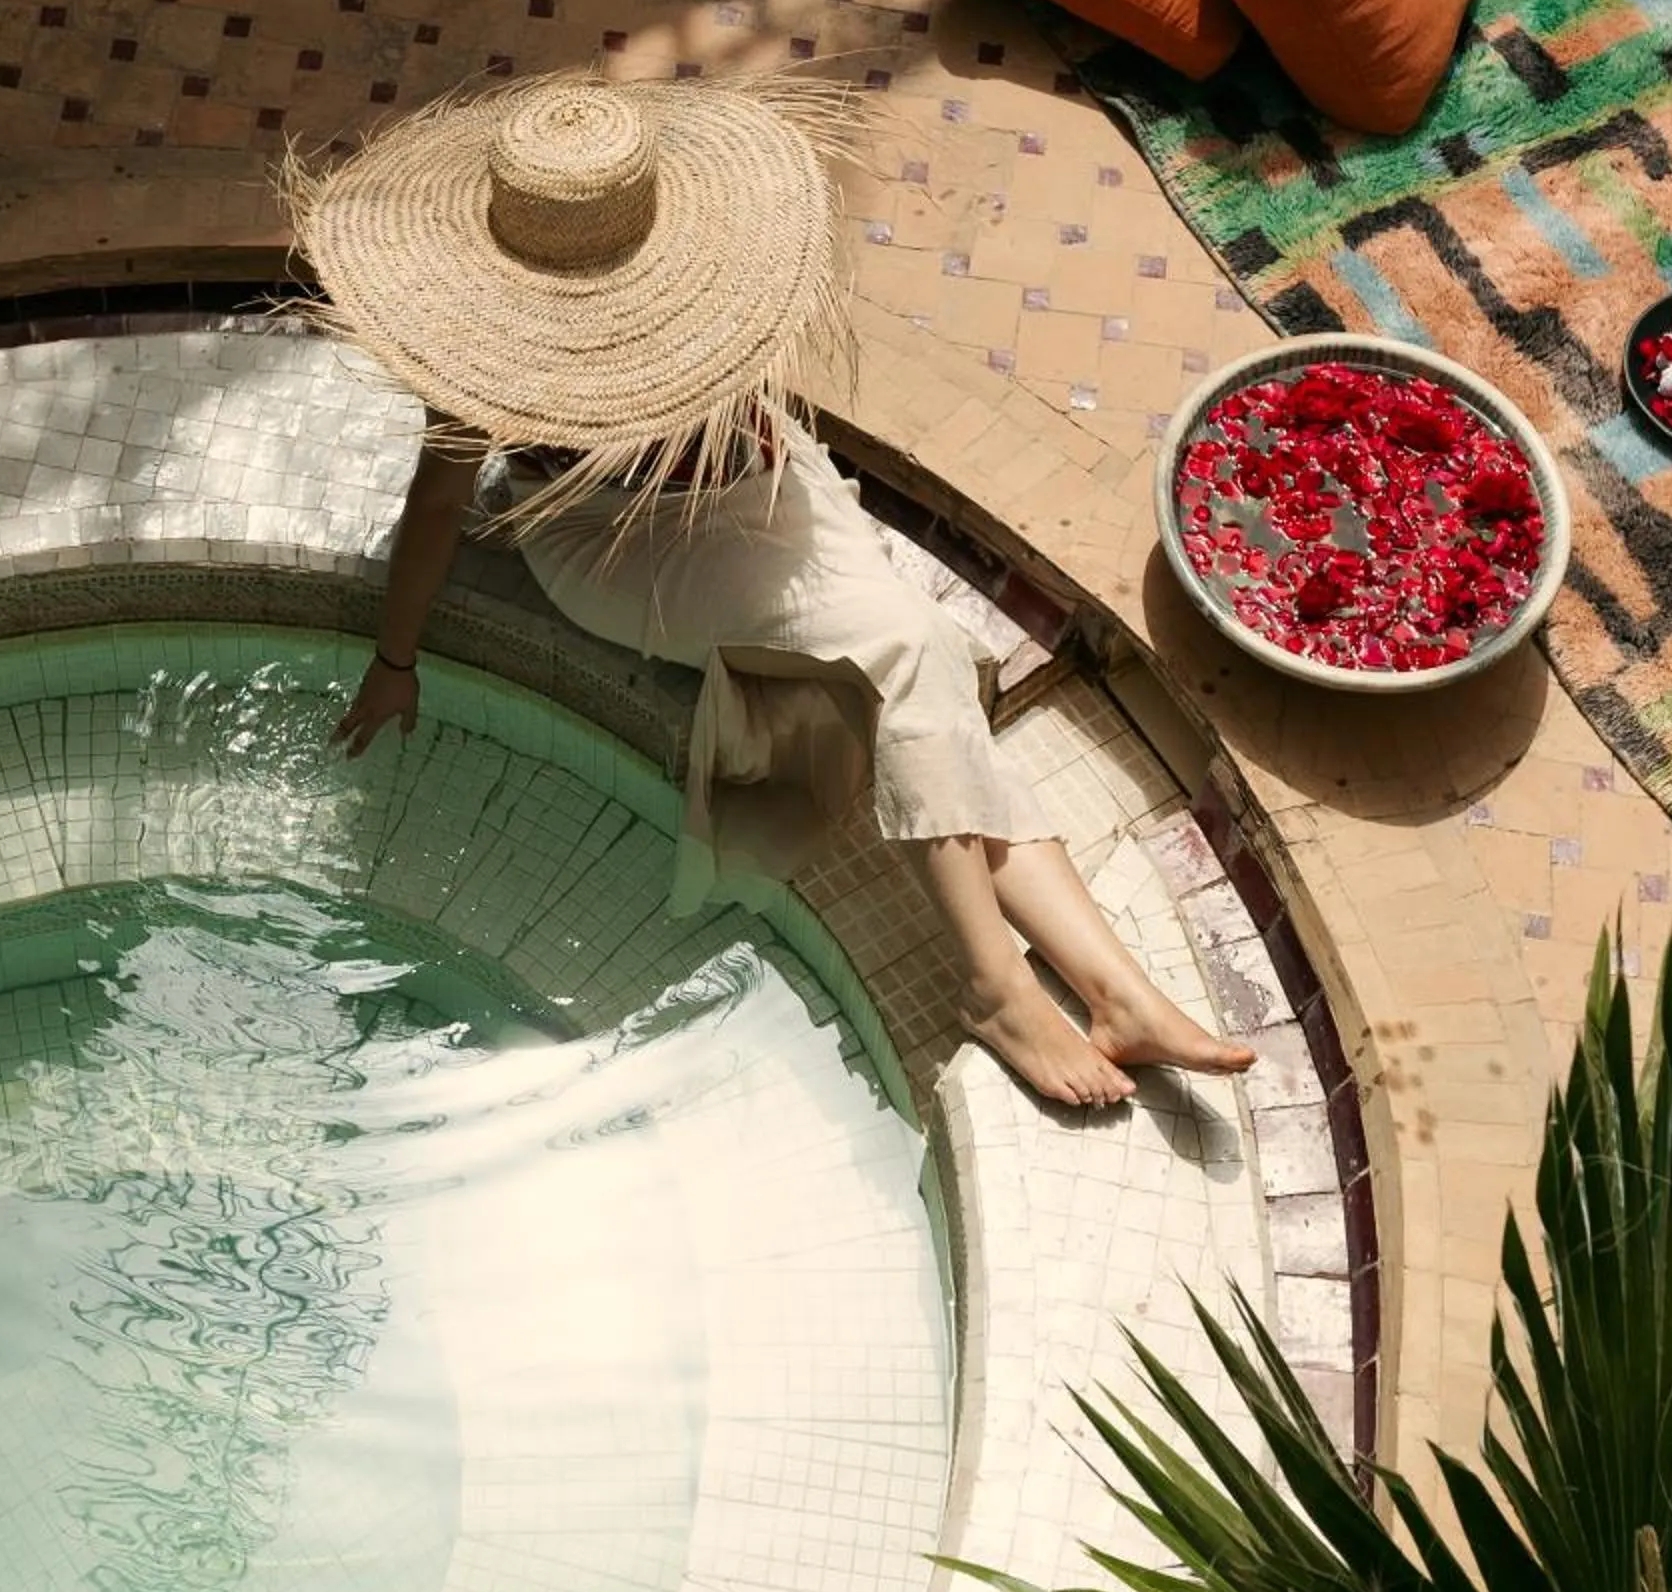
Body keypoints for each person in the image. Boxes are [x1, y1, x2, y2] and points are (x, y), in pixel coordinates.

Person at [300, 71, 1252, 1110]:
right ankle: (994, 984)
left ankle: (1109, 988)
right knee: (906, 648)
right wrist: (395, 662)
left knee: (915, 659)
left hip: (760, 477)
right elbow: (436, 507)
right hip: (618, 538)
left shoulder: (709, 237)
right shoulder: (475, 335)